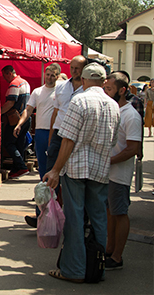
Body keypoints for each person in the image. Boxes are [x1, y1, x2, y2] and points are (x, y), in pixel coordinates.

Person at [44, 63, 120, 283]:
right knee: (98, 218)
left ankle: (74, 270)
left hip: (76, 168)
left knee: (75, 218)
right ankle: (98, 268)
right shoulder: (113, 105)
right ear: (104, 81)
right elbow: (113, 141)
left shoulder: (80, 100)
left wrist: (56, 170)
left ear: (85, 81)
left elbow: (68, 139)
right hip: (100, 169)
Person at [103, 72, 141, 270]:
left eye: (109, 89)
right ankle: (110, 249)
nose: (106, 92)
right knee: (109, 212)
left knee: (119, 213)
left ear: (122, 90)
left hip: (119, 175)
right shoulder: (112, 110)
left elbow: (133, 149)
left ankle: (118, 256)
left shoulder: (131, 116)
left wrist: (109, 161)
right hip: (107, 173)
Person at [15, 63, 60, 227]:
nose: (49, 77)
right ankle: (41, 214)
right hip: (40, 133)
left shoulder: (61, 91)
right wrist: (20, 124)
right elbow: (28, 109)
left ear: (57, 76)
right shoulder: (37, 91)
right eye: (47, 74)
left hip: (56, 133)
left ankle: (55, 212)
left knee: (55, 173)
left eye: (52, 75)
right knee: (43, 173)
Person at [47, 55, 87, 179]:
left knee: (71, 173)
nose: (74, 71)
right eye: (72, 68)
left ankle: (64, 197)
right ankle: (51, 197)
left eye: (77, 68)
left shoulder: (87, 89)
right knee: (51, 167)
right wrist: (51, 137)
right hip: (59, 132)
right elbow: (56, 113)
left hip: (77, 134)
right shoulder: (61, 86)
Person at [0, 65, 31, 178]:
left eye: (4, 76)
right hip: (25, 118)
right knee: (19, 144)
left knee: (8, 143)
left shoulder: (14, 84)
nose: (4, 79)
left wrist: (0, 112)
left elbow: (10, 103)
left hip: (15, 120)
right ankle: (16, 169)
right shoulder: (25, 83)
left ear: (9, 73)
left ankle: (21, 166)